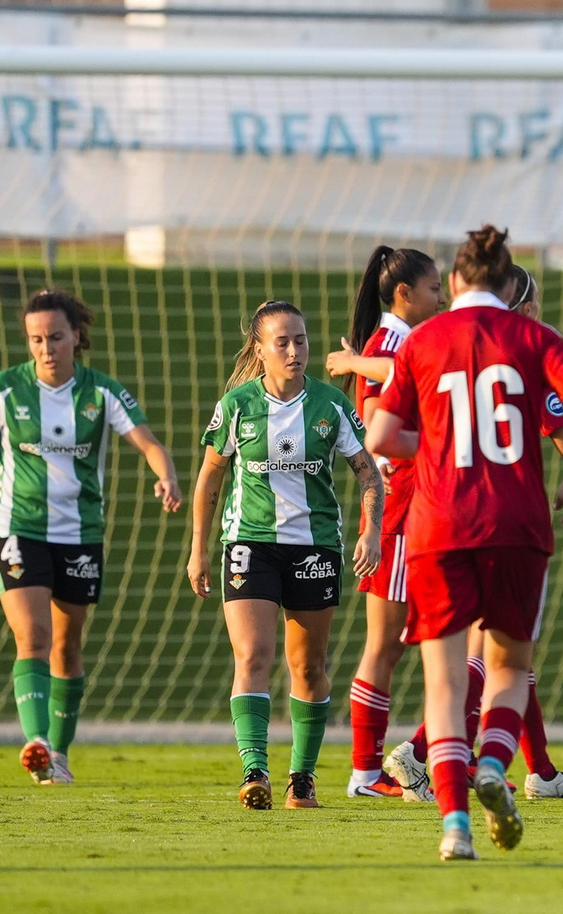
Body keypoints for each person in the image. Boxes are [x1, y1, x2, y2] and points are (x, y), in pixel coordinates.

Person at [366, 226, 563, 861]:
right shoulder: (535, 337)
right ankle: (496, 763)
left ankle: (454, 828)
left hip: (439, 527)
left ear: (460, 284)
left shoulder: (424, 341)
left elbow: (381, 436)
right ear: (506, 285)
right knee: (508, 670)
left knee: (442, 686)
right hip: (518, 524)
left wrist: (439, 447)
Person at [0, 289, 183, 785]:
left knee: (68, 647)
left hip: (80, 532)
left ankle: (57, 754)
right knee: (31, 636)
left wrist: (166, 476)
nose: (45, 348)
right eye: (36, 339)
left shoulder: (101, 392)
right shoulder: (5, 389)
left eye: (55, 337)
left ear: (76, 337)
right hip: (19, 528)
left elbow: (148, 442)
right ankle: (35, 741)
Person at [188, 300, 385, 811]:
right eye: (283, 342)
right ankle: (255, 771)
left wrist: (372, 532)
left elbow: (367, 472)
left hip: (315, 546)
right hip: (249, 543)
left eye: (300, 340)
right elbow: (210, 475)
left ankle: (302, 778)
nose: (295, 350)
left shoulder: (331, 405)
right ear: (260, 349)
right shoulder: (236, 406)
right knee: (253, 656)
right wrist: (199, 551)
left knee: (309, 666)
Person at [333, 245, 444, 800]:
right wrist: (448, 444)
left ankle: (427, 758)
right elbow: (377, 424)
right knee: (385, 643)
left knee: (409, 641)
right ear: (404, 293)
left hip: (417, 506)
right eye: (433, 288)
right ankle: (364, 773)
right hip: (399, 505)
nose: (442, 297)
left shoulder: (398, 345)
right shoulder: (391, 343)